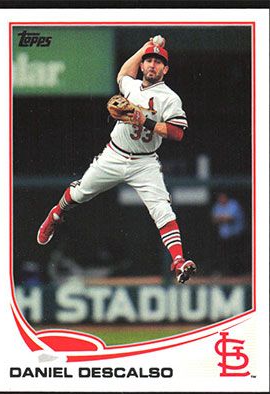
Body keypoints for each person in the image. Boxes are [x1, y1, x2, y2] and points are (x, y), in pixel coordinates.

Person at [37, 37, 197, 284]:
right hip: (115, 154)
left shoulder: (170, 98)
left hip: (144, 163)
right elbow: (123, 74)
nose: (152, 65)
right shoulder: (132, 86)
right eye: (148, 61)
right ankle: (56, 214)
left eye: (158, 62)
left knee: (162, 210)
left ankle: (178, 261)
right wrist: (144, 47)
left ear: (165, 69)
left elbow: (177, 132)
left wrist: (146, 121)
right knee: (80, 193)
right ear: (142, 65)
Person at [211, 192, 246, 275]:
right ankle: (226, 272)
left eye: (223, 197)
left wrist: (221, 218)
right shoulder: (217, 205)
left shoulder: (233, 204)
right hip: (224, 236)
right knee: (224, 255)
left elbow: (231, 218)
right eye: (220, 198)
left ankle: (238, 273)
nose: (221, 199)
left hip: (236, 235)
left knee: (236, 255)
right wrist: (224, 217)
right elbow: (214, 219)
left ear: (226, 197)